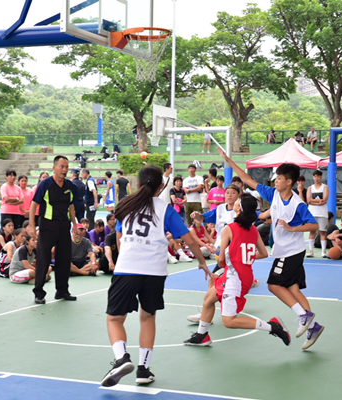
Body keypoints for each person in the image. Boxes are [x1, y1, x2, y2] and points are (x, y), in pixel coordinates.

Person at [100, 165, 212, 387]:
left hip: (127, 268)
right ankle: (143, 370)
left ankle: (122, 357)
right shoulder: (166, 209)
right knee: (147, 317)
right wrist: (201, 261)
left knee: (115, 318)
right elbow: (189, 239)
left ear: (137, 185)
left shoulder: (126, 206)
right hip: (154, 271)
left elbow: (120, 239)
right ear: (161, 187)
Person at [217, 148, 324, 350]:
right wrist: (228, 160)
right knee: (292, 288)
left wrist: (293, 227)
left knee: (273, 285)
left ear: (289, 182)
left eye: (279, 178)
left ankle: (304, 316)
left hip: (290, 251)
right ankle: (313, 327)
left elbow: (314, 225)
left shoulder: (297, 204)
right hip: (288, 251)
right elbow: (247, 180)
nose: (276, 180)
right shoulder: (273, 194)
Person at [183, 194, 290, 348]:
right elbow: (264, 253)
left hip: (235, 279)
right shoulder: (253, 230)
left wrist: (222, 255)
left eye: (238, 201)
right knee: (208, 300)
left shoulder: (230, 228)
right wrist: (242, 259)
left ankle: (273, 326)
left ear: (239, 208)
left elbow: (220, 260)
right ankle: (202, 335)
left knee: (229, 321)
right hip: (242, 274)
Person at [29, 155, 80, 305]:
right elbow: (33, 205)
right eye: (62, 167)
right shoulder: (45, 184)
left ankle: (62, 291)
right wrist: (32, 226)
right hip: (47, 225)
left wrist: (75, 225)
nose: (65, 170)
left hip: (64, 225)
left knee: (64, 259)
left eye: (66, 167)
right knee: (44, 259)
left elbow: (71, 206)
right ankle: (39, 292)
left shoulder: (70, 185)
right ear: (54, 168)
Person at [306, 170, 330, 258]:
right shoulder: (310, 188)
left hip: (322, 213)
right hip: (312, 212)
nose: (316, 178)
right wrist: (318, 202)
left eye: (318, 176)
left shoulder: (325, 187)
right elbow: (308, 200)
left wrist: (313, 201)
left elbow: (324, 200)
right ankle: (311, 250)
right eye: (315, 176)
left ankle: (323, 251)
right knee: (312, 231)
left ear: (321, 177)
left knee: (323, 232)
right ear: (313, 177)